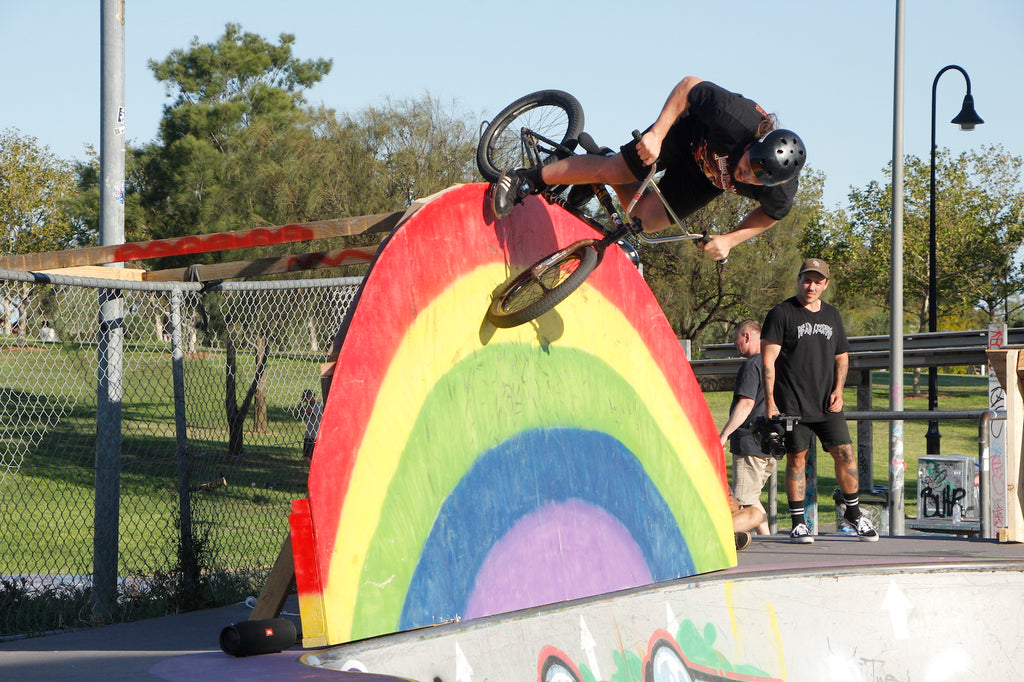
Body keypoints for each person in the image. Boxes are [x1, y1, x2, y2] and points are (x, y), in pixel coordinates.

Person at [489, 76, 806, 262]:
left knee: (646, 221)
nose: (746, 175)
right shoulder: (733, 118)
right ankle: (523, 179)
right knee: (615, 170)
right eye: (750, 164)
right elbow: (689, 86)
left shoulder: (779, 190)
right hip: (682, 135)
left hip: (705, 179)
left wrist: (730, 240)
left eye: (756, 178)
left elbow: (771, 216)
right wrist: (656, 134)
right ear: (757, 142)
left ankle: (600, 163)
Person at [761, 258, 878, 543]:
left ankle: (854, 512)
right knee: (797, 459)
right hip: (792, 403)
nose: (810, 286)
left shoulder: (832, 315)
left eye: (817, 281)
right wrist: (770, 403)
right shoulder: (782, 313)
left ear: (825, 284)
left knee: (845, 454)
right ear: (798, 280)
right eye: (806, 280)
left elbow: (842, 356)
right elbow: (768, 361)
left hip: (827, 403)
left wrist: (839, 389)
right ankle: (799, 522)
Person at [719, 319, 772, 536]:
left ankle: (767, 543)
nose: (735, 345)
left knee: (747, 502)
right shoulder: (773, 363)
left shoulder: (752, 365)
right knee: (752, 498)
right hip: (767, 442)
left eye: (736, 339)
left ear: (747, 337)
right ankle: (768, 540)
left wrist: (723, 435)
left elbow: (746, 403)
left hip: (749, 441)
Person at [297, 389, 323, 460]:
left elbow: (308, 411)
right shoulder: (308, 405)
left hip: (314, 435)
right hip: (308, 435)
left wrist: (307, 401)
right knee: (306, 457)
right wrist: (302, 401)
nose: (306, 399)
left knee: (310, 457)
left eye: (307, 397)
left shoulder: (318, 405)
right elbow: (298, 410)